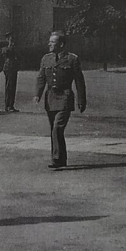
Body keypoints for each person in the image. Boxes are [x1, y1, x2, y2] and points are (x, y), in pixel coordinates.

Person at [34, 31, 87, 169]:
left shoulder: (72, 59)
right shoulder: (46, 59)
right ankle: (59, 159)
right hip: (50, 98)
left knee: (57, 128)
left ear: (61, 44)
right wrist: (37, 94)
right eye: (50, 41)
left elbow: (79, 80)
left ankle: (57, 159)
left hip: (65, 97)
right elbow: (41, 78)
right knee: (54, 129)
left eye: (52, 42)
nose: (49, 44)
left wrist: (82, 100)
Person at [1, 33, 20, 112]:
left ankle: (11, 105)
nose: (12, 40)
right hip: (8, 68)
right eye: (10, 39)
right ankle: (8, 105)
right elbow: (6, 53)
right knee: (9, 87)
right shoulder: (5, 48)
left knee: (13, 87)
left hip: (13, 68)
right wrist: (10, 45)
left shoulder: (13, 47)